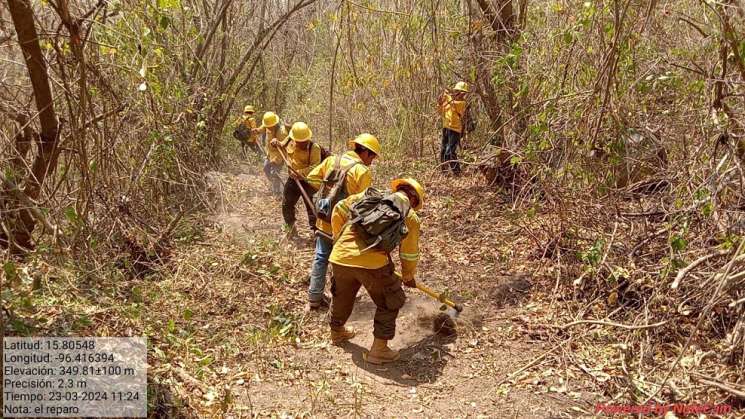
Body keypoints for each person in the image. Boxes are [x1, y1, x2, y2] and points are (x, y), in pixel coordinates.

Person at [327, 178, 425, 365]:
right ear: (413, 200)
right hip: (372, 264)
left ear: (399, 188)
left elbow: (339, 208)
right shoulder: (410, 216)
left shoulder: (370, 195)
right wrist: (407, 276)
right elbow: (409, 254)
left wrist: (338, 238)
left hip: (339, 257)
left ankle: (337, 332)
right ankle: (379, 350)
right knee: (391, 299)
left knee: (342, 295)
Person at [304, 134, 380, 310]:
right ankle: (341, 299)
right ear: (367, 153)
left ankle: (314, 299)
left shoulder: (332, 160)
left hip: (324, 220)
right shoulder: (362, 171)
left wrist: (327, 194)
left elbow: (312, 179)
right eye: (373, 157)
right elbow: (364, 204)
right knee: (344, 262)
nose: (372, 161)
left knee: (321, 257)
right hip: (345, 226)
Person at [271, 121, 322, 238]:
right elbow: (281, 145)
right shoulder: (290, 140)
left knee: (312, 207)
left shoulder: (314, 148)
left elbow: (316, 166)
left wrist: (300, 173)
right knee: (286, 204)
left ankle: (317, 233)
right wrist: (276, 143)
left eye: (303, 142)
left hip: (309, 181)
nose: (301, 144)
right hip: (293, 180)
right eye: (299, 142)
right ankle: (291, 229)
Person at [437, 81, 470, 175]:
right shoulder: (449, 102)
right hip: (446, 128)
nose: (459, 94)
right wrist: (440, 103)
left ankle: (457, 172)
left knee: (450, 151)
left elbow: (455, 105)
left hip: (455, 130)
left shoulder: (462, 103)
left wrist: (447, 96)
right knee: (443, 150)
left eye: (462, 92)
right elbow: (441, 111)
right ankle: (444, 172)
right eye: (458, 91)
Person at [254, 111, 286, 196]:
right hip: (270, 153)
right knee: (266, 168)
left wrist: (278, 143)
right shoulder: (268, 125)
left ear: (274, 124)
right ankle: (274, 185)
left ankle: (277, 193)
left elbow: (284, 145)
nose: (268, 128)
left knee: (275, 173)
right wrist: (257, 131)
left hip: (279, 155)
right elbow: (263, 128)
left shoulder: (281, 131)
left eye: (270, 127)